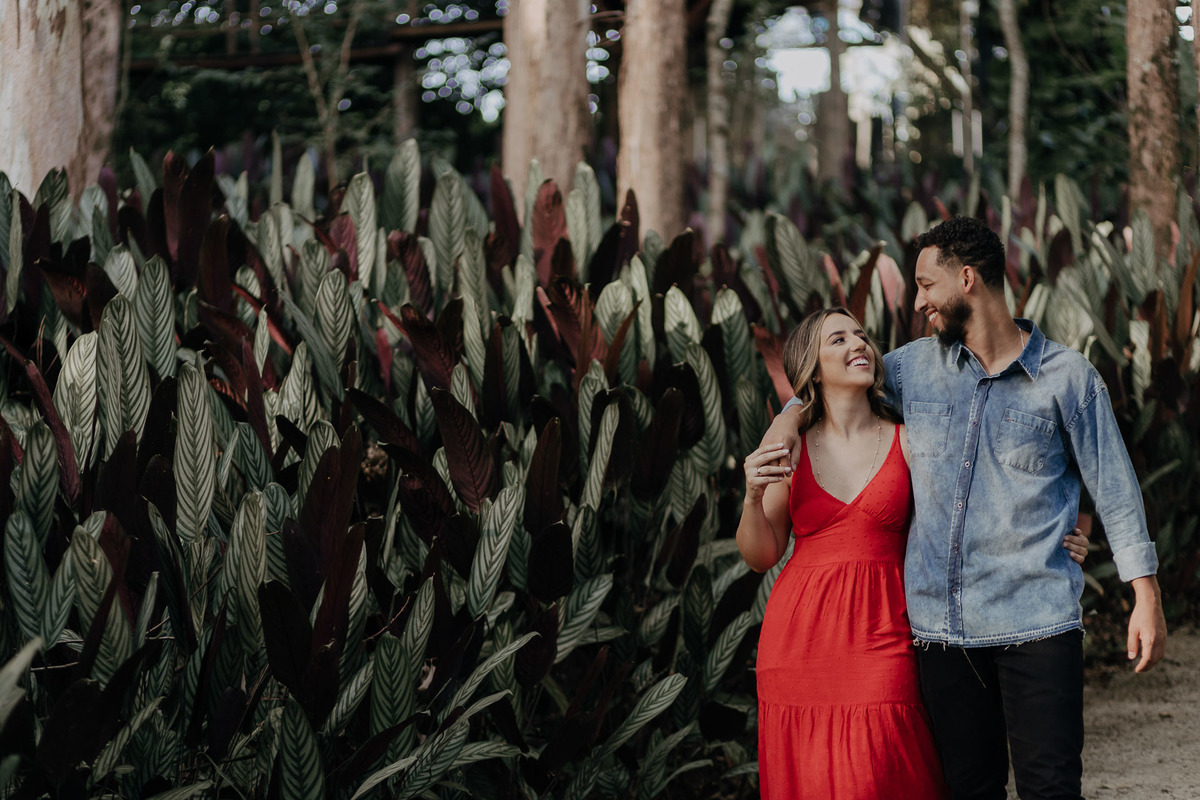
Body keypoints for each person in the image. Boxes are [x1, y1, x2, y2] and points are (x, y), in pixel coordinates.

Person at [760, 216, 1167, 800]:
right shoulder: (909, 370)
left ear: (968, 279)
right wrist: (785, 426)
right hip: (941, 635)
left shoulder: (1068, 379)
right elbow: (825, 389)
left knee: (1051, 788)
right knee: (969, 790)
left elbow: (1113, 483)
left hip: (1037, 622)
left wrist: (1143, 594)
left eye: (927, 285)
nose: (920, 301)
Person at [738, 307, 1089, 799]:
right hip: (798, 641)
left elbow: (981, 504)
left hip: (884, 629)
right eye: (837, 340)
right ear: (812, 369)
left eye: (860, 335)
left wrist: (1058, 536)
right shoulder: (789, 447)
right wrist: (753, 496)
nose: (858, 344)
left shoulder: (910, 440)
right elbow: (762, 554)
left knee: (882, 770)